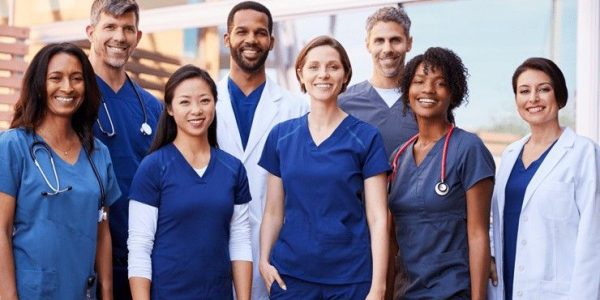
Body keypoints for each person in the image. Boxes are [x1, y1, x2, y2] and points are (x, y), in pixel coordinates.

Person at [259, 35, 390, 299]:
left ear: (345, 75)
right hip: (291, 278)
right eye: (314, 66)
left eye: (333, 67)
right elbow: (273, 211)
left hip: (350, 279)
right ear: (301, 74)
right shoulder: (281, 137)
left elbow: (378, 218)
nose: (324, 74)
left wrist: (378, 286)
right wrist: (263, 261)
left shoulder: (366, 137)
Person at [0, 43, 120, 299]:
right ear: (38, 85)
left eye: (76, 79)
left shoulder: (98, 154)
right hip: (31, 291)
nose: (67, 87)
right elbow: (1, 228)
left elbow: (103, 230)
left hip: (81, 290)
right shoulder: (13, 146)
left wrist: (107, 293)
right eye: (55, 78)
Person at [127, 65, 252, 299]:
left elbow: (240, 241)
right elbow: (139, 247)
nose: (196, 110)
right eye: (185, 102)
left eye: (204, 100)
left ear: (215, 103)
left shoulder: (233, 169)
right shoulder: (153, 167)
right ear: (170, 109)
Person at [216, 2, 308, 299]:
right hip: (213, 246)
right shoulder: (203, 103)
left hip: (278, 253)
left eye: (260, 32)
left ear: (272, 41)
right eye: (241, 31)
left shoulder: (296, 109)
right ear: (227, 38)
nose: (251, 40)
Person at [488, 57, 600, 300]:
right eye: (524, 91)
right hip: (506, 286)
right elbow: (497, 220)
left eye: (544, 89)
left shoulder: (583, 153)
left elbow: (593, 236)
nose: (533, 99)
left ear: (559, 96)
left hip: (559, 291)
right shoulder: (509, 155)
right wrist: (490, 256)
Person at [388, 47, 495, 299]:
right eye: (419, 82)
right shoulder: (398, 157)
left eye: (440, 83)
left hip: (452, 290)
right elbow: (392, 240)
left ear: (453, 93)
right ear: (407, 91)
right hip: (406, 291)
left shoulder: (469, 148)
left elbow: (478, 234)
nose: (428, 89)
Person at [86, 1, 163, 298]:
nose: (119, 36)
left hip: (141, 262)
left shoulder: (152, 108)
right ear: (91, 32)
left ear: (138, 37)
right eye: (110, 27)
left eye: (127, 28)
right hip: (87, 260)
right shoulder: (74, 97)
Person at [338, 5, 417, 159]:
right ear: (368, 44)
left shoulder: (426, 101)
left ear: (409, 43)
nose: (387, 49)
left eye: (395, 40)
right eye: (379, 41)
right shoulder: (343, 104)